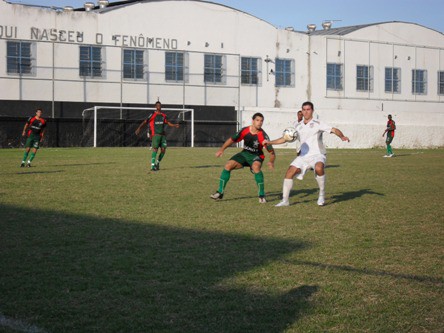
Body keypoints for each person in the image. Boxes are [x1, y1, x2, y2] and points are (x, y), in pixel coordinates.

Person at [264, 101, 350, 207]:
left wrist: (342, 136)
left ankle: (322, 194)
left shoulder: (318, 123)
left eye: (308, 109)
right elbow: (285, 138)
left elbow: (334, 130)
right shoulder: (297, 125)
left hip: (318, 154)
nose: (306, 112)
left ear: (312, 111)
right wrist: (270, 142)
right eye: (304, 109)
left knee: (319, 168)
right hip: (303, 156)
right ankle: (285, 201)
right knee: (289, 172)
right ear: (302, 111)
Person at [211, 112, 276, 203]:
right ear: (253, 121)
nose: (259, 122)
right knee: (228, 165)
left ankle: (261, 195)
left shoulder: (263, 136)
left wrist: (271, 161)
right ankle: (220, 192)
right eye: (257, 120)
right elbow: (231, 139)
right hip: (244, 154)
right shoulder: (244, 130)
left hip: (257, 156)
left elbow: (272, 152)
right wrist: (222, 149)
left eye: (261, 121)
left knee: (256, 167)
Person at [135, 101, 179, 171]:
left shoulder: (163, 115)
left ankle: (157, 163)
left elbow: (167, 122)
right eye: (157, 105)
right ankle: (152, 167)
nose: (159, 106)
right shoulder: (152, 114)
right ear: (155, 106)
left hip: (162, 136)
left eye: (160, 105)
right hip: (155, 135)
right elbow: (145, 122)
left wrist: (174, 125)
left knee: (163, 150)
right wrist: (139, 128)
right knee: (155, 149)